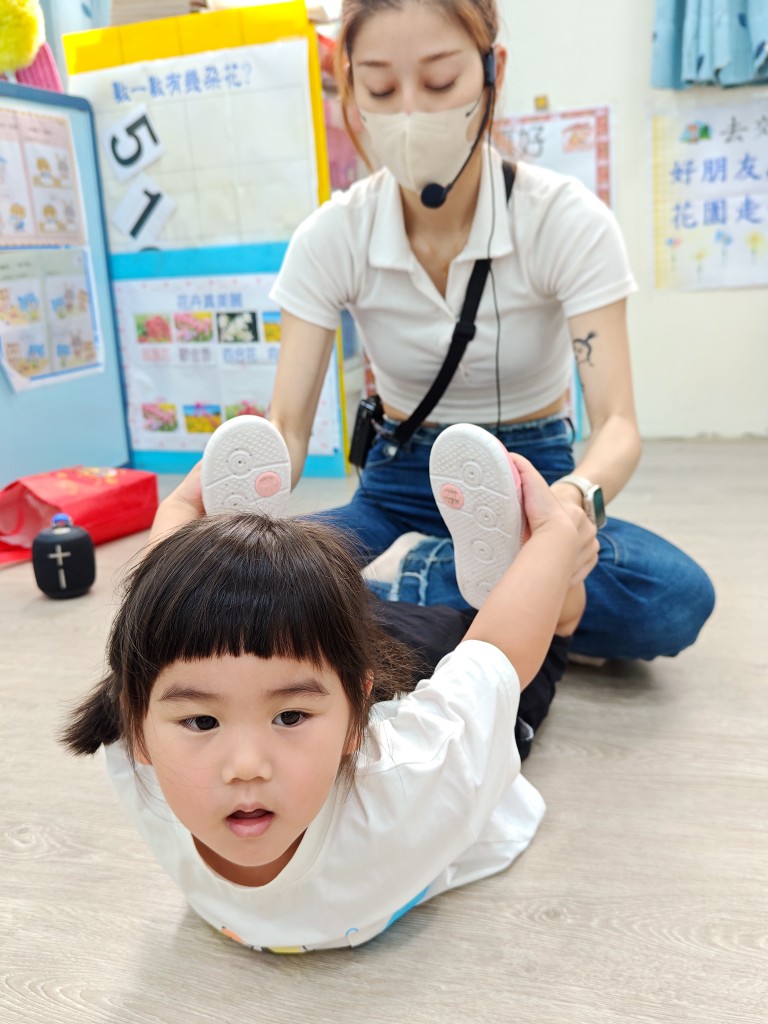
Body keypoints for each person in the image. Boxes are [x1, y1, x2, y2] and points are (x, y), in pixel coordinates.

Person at [266, 0, 715, 662]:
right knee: (256, 582)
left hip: (536, 478)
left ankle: (402, 597)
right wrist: (239, 499)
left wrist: (569, 508)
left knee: (674, 598)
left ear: (491, 70)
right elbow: (287, 425)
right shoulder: (330, 236)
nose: (410, 113)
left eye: (440, 81)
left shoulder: (564, 220)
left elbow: (618, 425)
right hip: (400, 482)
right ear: (350, 86)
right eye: (381, 88)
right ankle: (498, 600)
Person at [62, 424, 594, 952]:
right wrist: (181, 519)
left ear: (356, 720)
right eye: (202, 722)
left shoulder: (412, 782)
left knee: (533, 663)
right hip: (315, 653)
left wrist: (554, 536)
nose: (246, 766)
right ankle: (246, 573)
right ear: (137, 730)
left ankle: (545, 584)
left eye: (288, 718)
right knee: (292, 649)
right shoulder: (138, 748)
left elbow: (495, 657)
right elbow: (147, 642)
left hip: (404, 660)